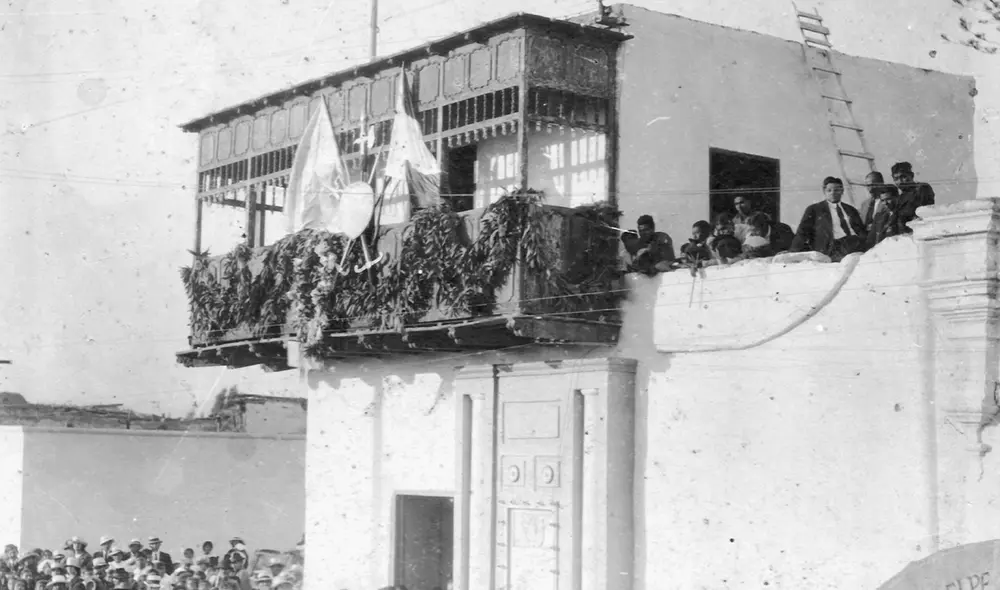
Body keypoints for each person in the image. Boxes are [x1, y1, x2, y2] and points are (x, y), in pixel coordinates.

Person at [790, 176, 866, 262]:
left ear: (842, 191)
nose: (833, 193)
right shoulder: (814, 209)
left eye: (836, 190)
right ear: (824, 191)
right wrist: (793, 252)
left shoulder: (851, 210)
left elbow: (861, 231)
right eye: (829, 190)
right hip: (830, 248)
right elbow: (802, 232)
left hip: (853, 245)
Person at [891, 161, 935, 230]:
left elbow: (922, 212)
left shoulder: (922, 188)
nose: (900, 181)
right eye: (896, 179)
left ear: (911, 175)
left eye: (903, 177)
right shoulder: (901, 197)